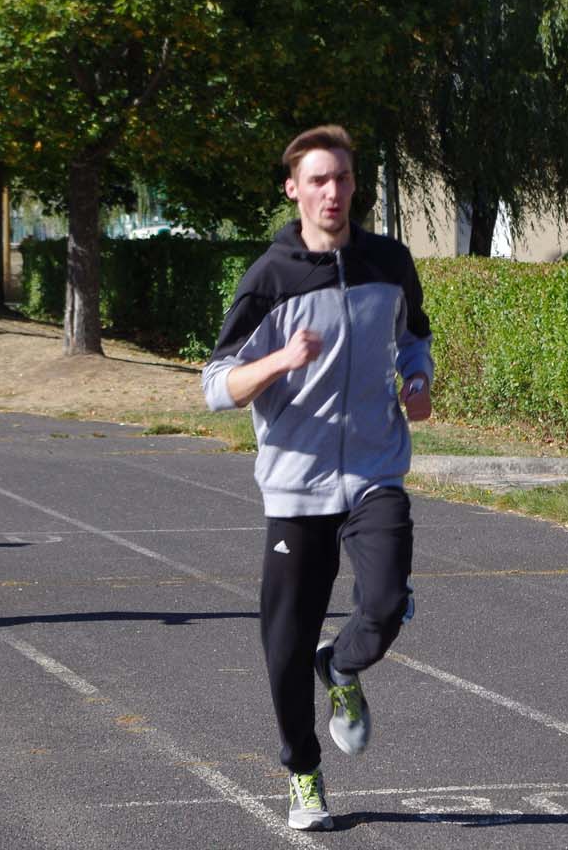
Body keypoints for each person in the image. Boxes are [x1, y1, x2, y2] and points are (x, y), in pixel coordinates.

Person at [203, 125, 433, 832]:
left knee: (387, 602)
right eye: (318, 180)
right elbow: (216, 385)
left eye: (342, 178)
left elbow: (413, 334)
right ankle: (303, 772)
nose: (332, 192)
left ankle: (342, 668)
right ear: (293, 189)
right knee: (282, 642)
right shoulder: (269, 278)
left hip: (372, 469)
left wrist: (417, 377)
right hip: (295, 484)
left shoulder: (388, 263)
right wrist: (280, 362)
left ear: (353, 185)